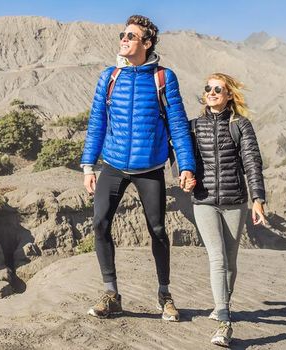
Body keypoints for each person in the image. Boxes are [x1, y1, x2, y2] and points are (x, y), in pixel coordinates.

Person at [80, 14, 197, 322]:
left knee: (158, 230)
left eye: (130, 36)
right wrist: (88, 165)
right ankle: (111, 294)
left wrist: (186, 166)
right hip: (114, 165)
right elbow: (97, 124)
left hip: (150, 167)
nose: (124, 39)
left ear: (146, 43)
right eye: (123, 34)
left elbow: (178, 125)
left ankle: (164, 295)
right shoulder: (109, 77)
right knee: (100, 223)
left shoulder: (163, 78)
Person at [188, 72, 267, 347]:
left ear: (229, 95)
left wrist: (258, 198)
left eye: (217, 89)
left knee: (231, 262)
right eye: (208, 88)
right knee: (218, 258)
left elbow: (252, 163)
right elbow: (184, 158)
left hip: (235, 202)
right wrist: (183, 174)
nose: (211, 92)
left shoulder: (240, 125)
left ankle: (222, 303)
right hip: (204, 201)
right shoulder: (194, 126)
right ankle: (225, 321)